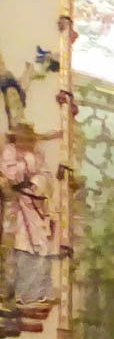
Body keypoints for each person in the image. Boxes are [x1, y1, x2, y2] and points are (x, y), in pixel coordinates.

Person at [0, 122, 57, 309]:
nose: (26, 142)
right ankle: (22, 294)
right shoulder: (9, 153)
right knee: (21, 247)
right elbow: (10, 174)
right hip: (16, 207)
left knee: (41, 247)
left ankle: (38, 293)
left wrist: (36, 183)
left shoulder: (37, 155)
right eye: (22, 138)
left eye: (28, 139)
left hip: (35, 205)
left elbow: (46, 176)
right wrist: (26, 165)